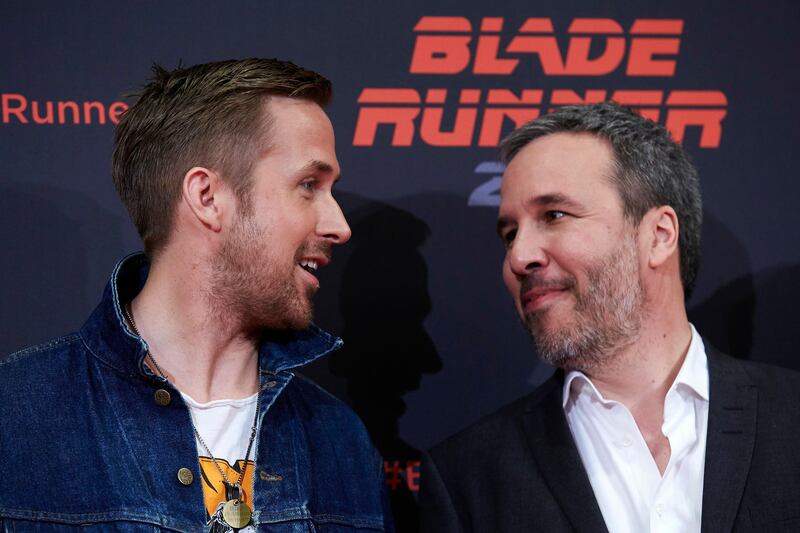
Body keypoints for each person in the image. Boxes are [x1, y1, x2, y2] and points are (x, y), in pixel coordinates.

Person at [0, 58, 393, 532]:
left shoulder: (339, 440)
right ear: (207, 197)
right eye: (308, 185)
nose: (340, 226)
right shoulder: (15, 418)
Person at [419, 102, 800, 532]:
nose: (519, 257)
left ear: (658, 236)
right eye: (510, 234)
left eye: (554, 215)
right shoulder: (466, 478)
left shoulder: (791, 420)